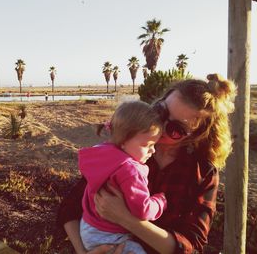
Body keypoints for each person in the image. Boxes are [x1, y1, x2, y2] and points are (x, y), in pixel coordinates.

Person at [57, 74, 236, 254]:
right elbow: (70, 209)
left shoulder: (201, 173)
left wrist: (127, 219)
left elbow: (190, 246)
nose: (161, 125)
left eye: (175, 129)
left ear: (196, 136)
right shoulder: (126, 149)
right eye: (161, 111)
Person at [79, 101, 166, 254]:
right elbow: (142, 210)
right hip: (108, 235)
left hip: (88, 226)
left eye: (155, 144)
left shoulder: (101, 153)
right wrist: (160, 201)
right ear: (124, 140)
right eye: (147, 144)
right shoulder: (130, 170)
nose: (153, 150)